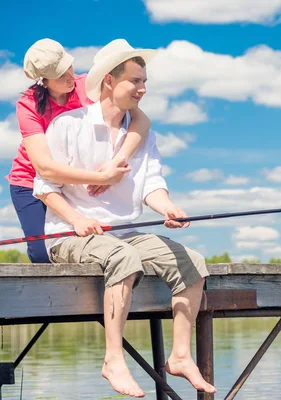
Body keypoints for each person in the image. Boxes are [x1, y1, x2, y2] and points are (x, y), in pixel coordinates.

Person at [33, 39, 216, 398]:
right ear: (108, 82)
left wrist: (168, 208)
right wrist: (76, 220)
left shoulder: (141, 133)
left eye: (144, 81)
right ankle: (113, 360)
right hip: (69, 235)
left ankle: (180, 356)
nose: (143, 88)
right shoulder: (67, 125)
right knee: (124, 257)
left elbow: (151, 184)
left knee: (192, 262)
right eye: (135, 80)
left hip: (126, 232)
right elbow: (45, 188)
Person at [6, 38, 151, 263]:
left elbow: (141, 121)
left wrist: (115, 163)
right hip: (29, 182)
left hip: (77, 181)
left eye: (69, 67)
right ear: (43, 81)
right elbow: (45, 168)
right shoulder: (28, 104)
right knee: (42, 253)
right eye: (60, 75)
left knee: (92, 241)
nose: (70, 77)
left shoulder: (88, 86)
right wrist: (101, 177)